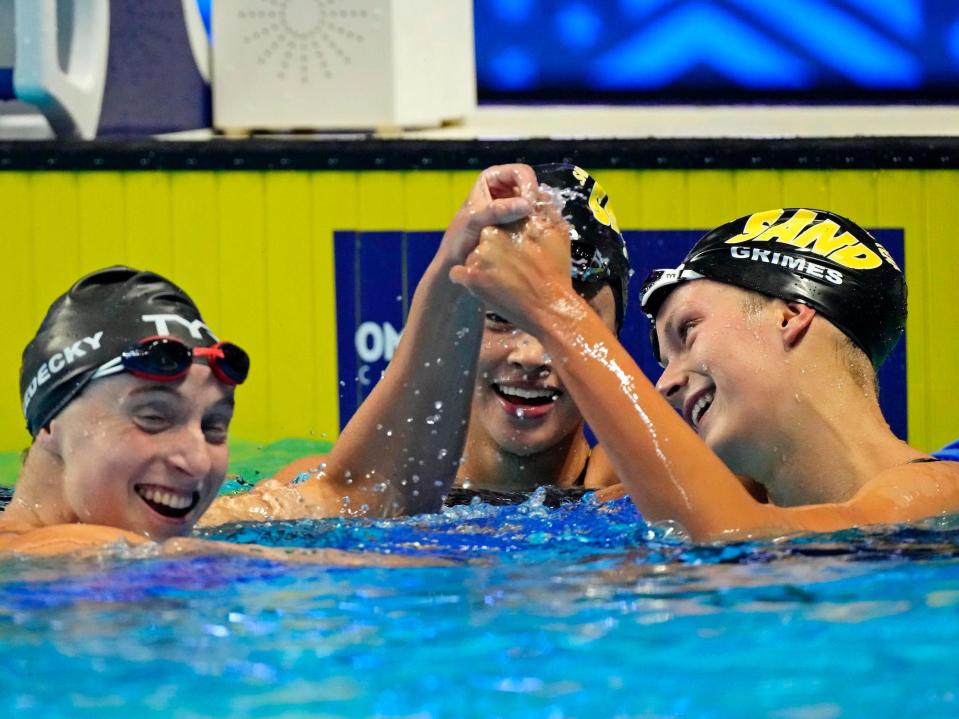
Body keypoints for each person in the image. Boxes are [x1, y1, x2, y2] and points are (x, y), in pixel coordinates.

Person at [450, 192, 959, 541]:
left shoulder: (937, 494)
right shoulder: (669, 498)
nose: (668, 382)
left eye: (687, 332)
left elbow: (728, 534)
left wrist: (553, 310)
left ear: (790, 316)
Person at [0, 263, 479, 559]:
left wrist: (457, 278)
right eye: (153, 418)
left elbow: (370, 495)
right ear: (51, 421)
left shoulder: (204, 523)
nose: (194, 460)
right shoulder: (25, 556)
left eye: (213, 427)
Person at [240, 163, 626, 511]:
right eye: (500, 317)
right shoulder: (332, 491)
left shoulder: (640, 501)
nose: (530, 354)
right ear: (458, 330)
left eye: (566, 322)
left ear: (615, 341)